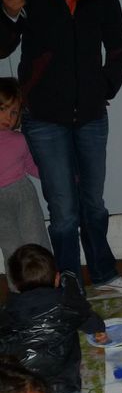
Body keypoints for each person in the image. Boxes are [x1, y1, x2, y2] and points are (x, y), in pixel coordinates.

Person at [0, 0, 122, 294]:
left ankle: (104, 272)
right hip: (44, 115)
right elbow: (3, 46)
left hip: (91, 113)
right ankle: (69, 282)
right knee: (63, 209)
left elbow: (120, 45)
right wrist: (6, 12)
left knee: (93, 203)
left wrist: (105, 86)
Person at [0, 244, 107, 393]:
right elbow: (90, 320)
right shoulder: (67, 303)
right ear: (57, 279)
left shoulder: (7, 310)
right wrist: (99, 329)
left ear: (15, 284)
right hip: (58, 389)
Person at [0, 76, 51, 289]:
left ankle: (47, 285)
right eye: (2, 109)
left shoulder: (20, 140)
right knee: (10, 247)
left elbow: (33, 167)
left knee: (35, 239)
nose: (8, 117)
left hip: (23, 195)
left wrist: (58, 178)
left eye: (13, 112)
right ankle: (18, 293)